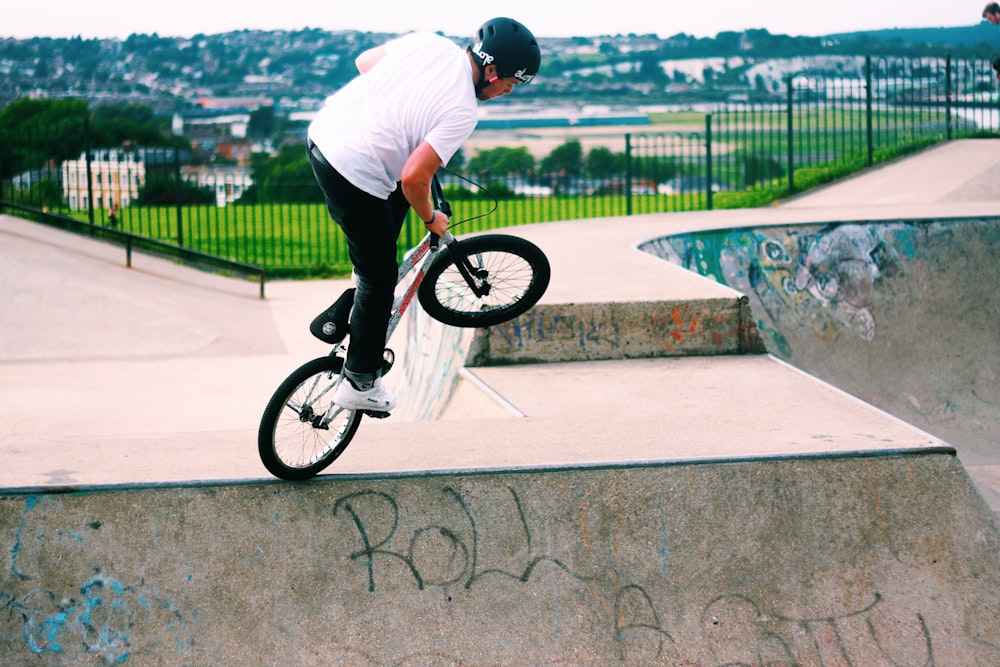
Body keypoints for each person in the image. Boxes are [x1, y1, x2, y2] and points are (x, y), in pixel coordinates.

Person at [306, 18, 541, 413]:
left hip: (324, 133)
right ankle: (360, 381)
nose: (505, 93)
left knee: (387, 221)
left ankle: (352, 303)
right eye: (510, 85)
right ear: (492, 70)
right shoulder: (463, 110)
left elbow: (366, 63)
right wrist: (431, 219)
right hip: (353, 169)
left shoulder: (429, 43)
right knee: (379, 278)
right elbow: (415, 177)